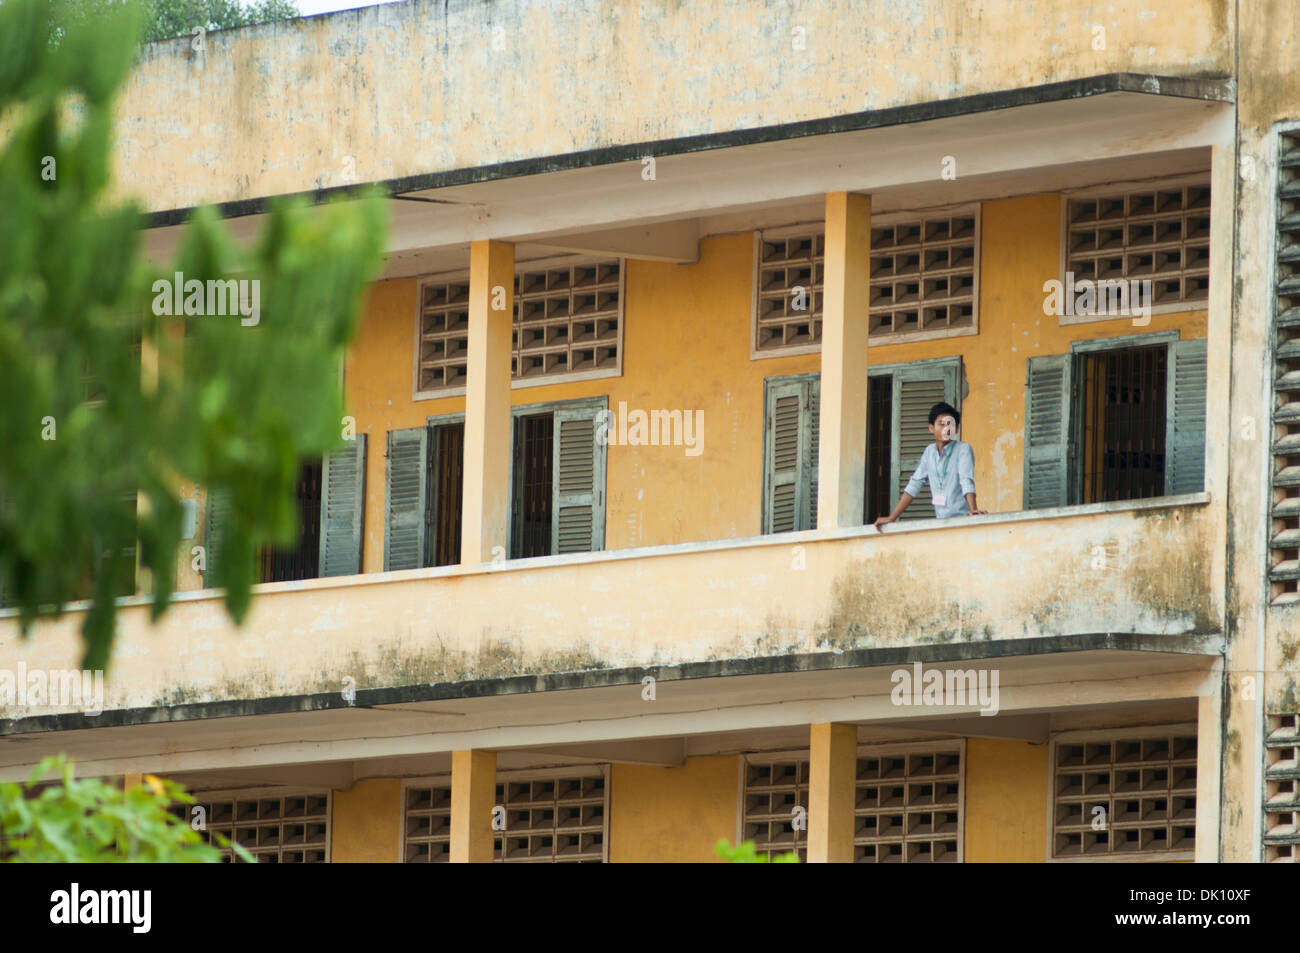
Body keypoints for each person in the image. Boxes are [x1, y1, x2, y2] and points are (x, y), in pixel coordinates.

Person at [873, 402, 986, 528]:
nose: (947, 428)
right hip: (940, 522)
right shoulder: (929, 452)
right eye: (942, 424)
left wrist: (973, 509)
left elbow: (966, 479)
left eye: (951, 424)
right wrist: (892, 517)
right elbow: (914, 484)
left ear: (957, 429)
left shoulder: (963, 449)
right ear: (931, 428)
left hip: (963, 520)